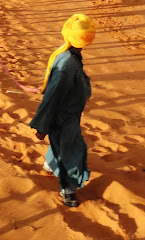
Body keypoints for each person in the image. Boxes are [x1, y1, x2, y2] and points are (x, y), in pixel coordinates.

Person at [29, 14, 97, 207]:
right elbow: (52, 96)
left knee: (62, 143)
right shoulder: (67, 62)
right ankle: (68, 190)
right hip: (62, 116)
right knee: (73, 150)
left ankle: (50, 164)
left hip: (70, 114)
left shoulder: (69, 55)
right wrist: (42, 126)